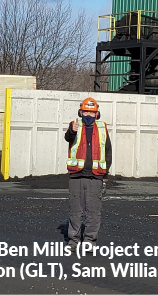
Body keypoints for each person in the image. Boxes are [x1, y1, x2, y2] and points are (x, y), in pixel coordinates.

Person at [65, 97, 112, 248]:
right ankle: (74, 241)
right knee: (75, 211)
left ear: (97, 113)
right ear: (80, 112)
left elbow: (108, 152)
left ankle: (89, 241)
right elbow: (68, 138)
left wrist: (105, 176)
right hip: (76, 175)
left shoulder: (102, 128)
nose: (88, 115)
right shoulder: (74, 126)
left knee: (93, 212)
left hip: (95, 177)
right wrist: (72, 131)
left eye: (92, 112)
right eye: (85, 111)